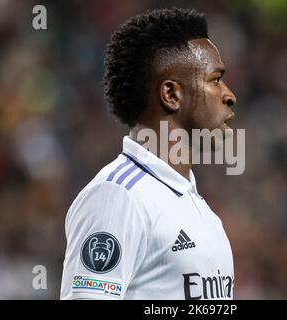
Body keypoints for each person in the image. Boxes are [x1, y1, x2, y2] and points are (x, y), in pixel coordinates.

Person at [60, 7, 237, 300]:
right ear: (171, 94)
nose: (229, 95)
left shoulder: (195, 206)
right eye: (215, 79)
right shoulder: (118, 196)